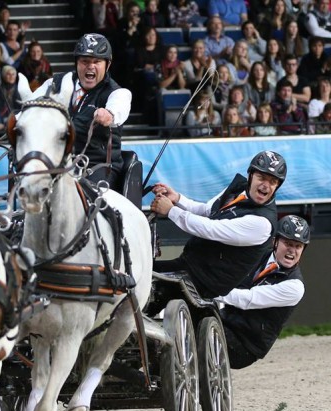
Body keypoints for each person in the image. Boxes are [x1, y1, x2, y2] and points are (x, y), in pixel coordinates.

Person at [150, 150, 287, 299]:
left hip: (205, 281)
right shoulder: (239, 189)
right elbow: (207, 211)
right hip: (189, 264)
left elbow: (210, 229)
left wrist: (171, 211)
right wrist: (177, 198)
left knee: (144, 283)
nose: (266, 185)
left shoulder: (262, 223)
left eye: (272, 182)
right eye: (261, 177)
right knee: (142, 271)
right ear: (250, 176)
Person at [31, 33, 132, 191]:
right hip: (58, 164)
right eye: (85, 61)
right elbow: (30, 107)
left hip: (98, 166)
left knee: (85, 195)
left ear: (108, 64)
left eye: (97, 61)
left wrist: (108, 114)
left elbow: (118, 108)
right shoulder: (55, 83)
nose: (90, 66)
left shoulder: (117, 93)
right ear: (76, 63)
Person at [217, 215, 309, 369]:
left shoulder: (295, 287)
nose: (292, 250)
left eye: (298, 246)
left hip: (245, 345)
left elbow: (248, 300)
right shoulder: (258, 254)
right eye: (287, 243)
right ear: (275, 242)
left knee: (199, 329)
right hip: (225, 321)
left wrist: (210, 291)